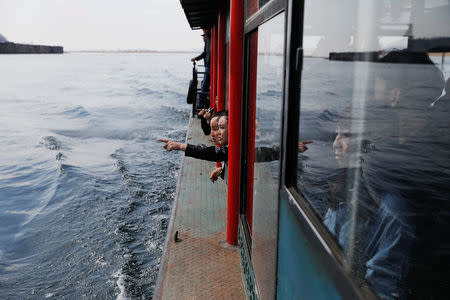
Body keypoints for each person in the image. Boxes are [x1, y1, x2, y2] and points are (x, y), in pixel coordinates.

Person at [191, 28, 211, 109]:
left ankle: (201, 106)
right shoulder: (207, 40)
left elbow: (205, 54)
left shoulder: (209, 39)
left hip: (209, 66)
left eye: (204, 30)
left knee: (204, 86)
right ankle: (203, 103)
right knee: (204, 83)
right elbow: (205, 53)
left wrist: (196, 58)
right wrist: (196, 58)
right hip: (207, 66)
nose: (203, 37)